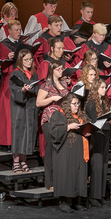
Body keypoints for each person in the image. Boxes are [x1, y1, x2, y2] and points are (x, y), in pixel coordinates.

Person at [48, 93, 90, 212]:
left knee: (78, 174)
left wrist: (87, 132)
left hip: (79, 150)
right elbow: (53, 131)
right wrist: (68, 127)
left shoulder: (80, 116)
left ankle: (76, 201)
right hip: (64, 151)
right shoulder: (59, 115)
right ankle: (63, 201)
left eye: (78, 104)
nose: (77, 106)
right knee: (66, 174)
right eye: (74, 104)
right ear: (67, 104)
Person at [0, 19, 24, 148]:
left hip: (22, 82)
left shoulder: (24, 46)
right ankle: (5, 142)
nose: (18, 32)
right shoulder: (0, 47)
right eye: (16, 30)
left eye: (20, 29)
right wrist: (6, 60)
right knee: (6, 113)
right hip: (7, 82)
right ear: (9, 31)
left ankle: (20, 142)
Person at [37, 59, 68, 188]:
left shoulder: (64, 84)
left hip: (62, 119)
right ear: (52, 70)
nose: (61, 71)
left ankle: (61, 179)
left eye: (62, 69)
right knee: (50, 149)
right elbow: (38, 103)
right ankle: (50, 182)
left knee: (62, 150)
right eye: (58, 69)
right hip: (49, 119)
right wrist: (52, 98)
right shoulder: (46, 85)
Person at [8, 49, 38, 173]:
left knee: (29, 134)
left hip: (31, 107)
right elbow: (14, 91)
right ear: (20, 60)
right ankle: (15, 162)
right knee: (19, 133)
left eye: (30, 59)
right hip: (19, 108)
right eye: (26, 59)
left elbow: (37, 89)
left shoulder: (34, 74)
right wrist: (23, 90)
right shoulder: (15, 74)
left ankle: (24, 161)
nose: (29, 61)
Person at [84, 78, 111, 206]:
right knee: (97, 165)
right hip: (96, 135)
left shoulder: (104, 102)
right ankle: (93, 196)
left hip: (105, 134)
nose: (104, 90)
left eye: (105, 87)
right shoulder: (91, 102)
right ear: (95, 88)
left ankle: (101, 194)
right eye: (102, 87)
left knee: (104, 164)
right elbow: (95, 120)